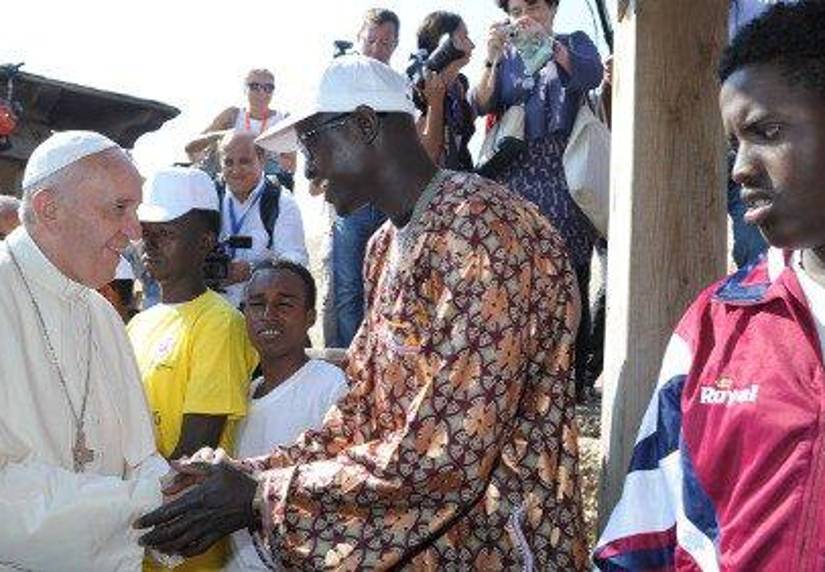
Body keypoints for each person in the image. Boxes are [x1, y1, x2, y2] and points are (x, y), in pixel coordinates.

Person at [136, 54, 586, 570]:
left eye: (311, 142)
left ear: (366, 123)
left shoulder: (483, 228)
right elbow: (363, 415)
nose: (307, 169)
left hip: (502, 545)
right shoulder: (383, 247)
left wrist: (260, 494)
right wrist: (244, 474)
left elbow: (449, 453)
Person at [594, 3, 825, 569]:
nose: (740, 168)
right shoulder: (714, 324)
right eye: (733, 144)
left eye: (766, 132)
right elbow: (639, 541)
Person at [0, 131, 167, 570]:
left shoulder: (102, 313)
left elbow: (141, 459)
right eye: (119, 208)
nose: (134, 232)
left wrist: (177, 499)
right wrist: (148, 500)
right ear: (48, 208)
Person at [127, 166, 259, 570]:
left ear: (205, 242)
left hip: (182, 543)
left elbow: (194, 452)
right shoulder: (138, 323)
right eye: (147, 233)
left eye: (165, 233)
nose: (150, 244)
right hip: (132, 530)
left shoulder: (220, 323)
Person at [472, 0, 603, 396]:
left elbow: (591, 75)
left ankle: (569, 381)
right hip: (513, 176)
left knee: (569, 277)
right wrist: (492, 58)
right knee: (514, 278)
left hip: (563, 175)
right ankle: (516, 379)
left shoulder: (574, 42)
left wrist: (548, 44)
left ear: (553, 7)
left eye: (534, 5)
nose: (525, 14)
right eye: (516, 8)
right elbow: (480, 103)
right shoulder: (505, 53)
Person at [227, 259, 348, 571]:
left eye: (284, 304)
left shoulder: (329, 386)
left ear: (310, 317)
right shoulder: (242, 393)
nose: (268, 315)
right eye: (257, 304)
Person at [325, 8, 401, 349]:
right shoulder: (337, 76)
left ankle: (379, 368)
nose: (377, 48)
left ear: (395, 45)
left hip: (388, 200)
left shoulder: (401, 84)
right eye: (371, 39)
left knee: (388, 287)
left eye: (386, 42)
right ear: (359, 38)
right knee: (347, 290)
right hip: (350, 198)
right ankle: (347, 370)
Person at [216, 131, 308, 308]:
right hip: (214, 310)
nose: (235, 170)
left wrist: (253, 270)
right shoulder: (210, 197)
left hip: (261, 310)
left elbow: (296, 261)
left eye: (244, 161)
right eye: (228, 162)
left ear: (262, 160)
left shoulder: (281, 203)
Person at [185, 68, 297, 188]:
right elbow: (193, 149)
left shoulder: (283, 120)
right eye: (254, 86)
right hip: (229, 179)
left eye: (268, 88)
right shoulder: (232, 115)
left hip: (265, 182)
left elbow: (290, 166)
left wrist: (262, 153)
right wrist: (224, 136)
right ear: (245, 89)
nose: (262, 92)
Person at [414, 11, 477, 171]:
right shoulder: (418, 89)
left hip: (460, 178)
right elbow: (426, 155)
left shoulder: (460, 86)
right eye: (464, 37)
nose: (472, 45)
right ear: (444, 45)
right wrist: (434, 103)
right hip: (430, 185)